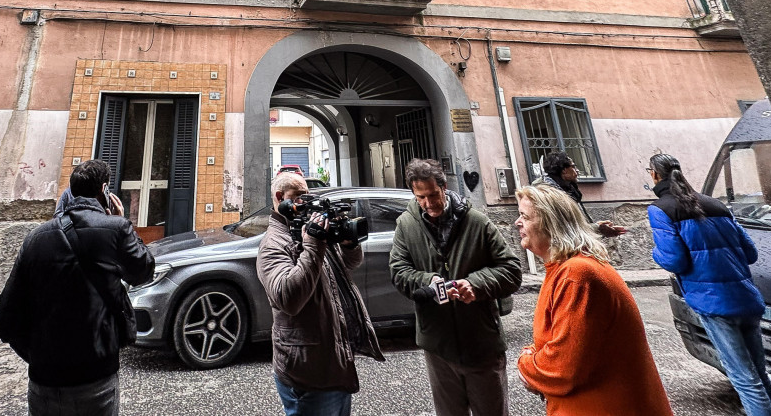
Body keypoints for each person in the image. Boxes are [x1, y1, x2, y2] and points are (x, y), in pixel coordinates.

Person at [0, 160, 154, 416]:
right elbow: (142, 271)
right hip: (95, 373)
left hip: (44, 378)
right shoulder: (115, 228)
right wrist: (123, 223)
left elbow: (4, 318)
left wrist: (37, 356)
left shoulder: (35, 237)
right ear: (105, 190)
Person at [515, 184, 673, 416]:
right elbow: (553, 342)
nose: (517, 223)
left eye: (525, 216)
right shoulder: (567, 268)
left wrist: (525, 364)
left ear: (551, 224)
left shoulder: (576, 274)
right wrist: (534, 355)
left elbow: (560, 369)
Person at [647, 153, 771, 416]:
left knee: (744, 378)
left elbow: (674, 260)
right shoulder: (717, 205)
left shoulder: (660, 209)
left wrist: (654, 253)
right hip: (746, 298)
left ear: (654, 175)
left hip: (713, 302)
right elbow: (750, 254)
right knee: (759, 373)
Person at [388, 158, 522, 416]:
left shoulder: (476, 221)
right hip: (438, 344)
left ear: (444, 186)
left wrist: (475, 284)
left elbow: (511, 269)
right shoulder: (406, 225)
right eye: (421, 198)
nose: (428, 204)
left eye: (433, 195)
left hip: (481, 341)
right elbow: (399, 273)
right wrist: (430, 282)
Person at [256, 170, 383, 416]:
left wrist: (348, 243)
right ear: (281, 197)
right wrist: (313, 245)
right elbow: (288, 298)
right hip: (308, 370)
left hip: (333, 362)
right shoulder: (273, 243)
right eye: (299, 196)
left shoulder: (307, 226)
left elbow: (349, 264)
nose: (306, 202)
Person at [537, 152, 626, 237]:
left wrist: (598, 228)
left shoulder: (569, 189)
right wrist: (598, 228)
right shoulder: (549, 195)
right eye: (573, 167)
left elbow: (578, 224)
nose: (577, 171)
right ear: (564, 170)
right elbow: (567, 229)